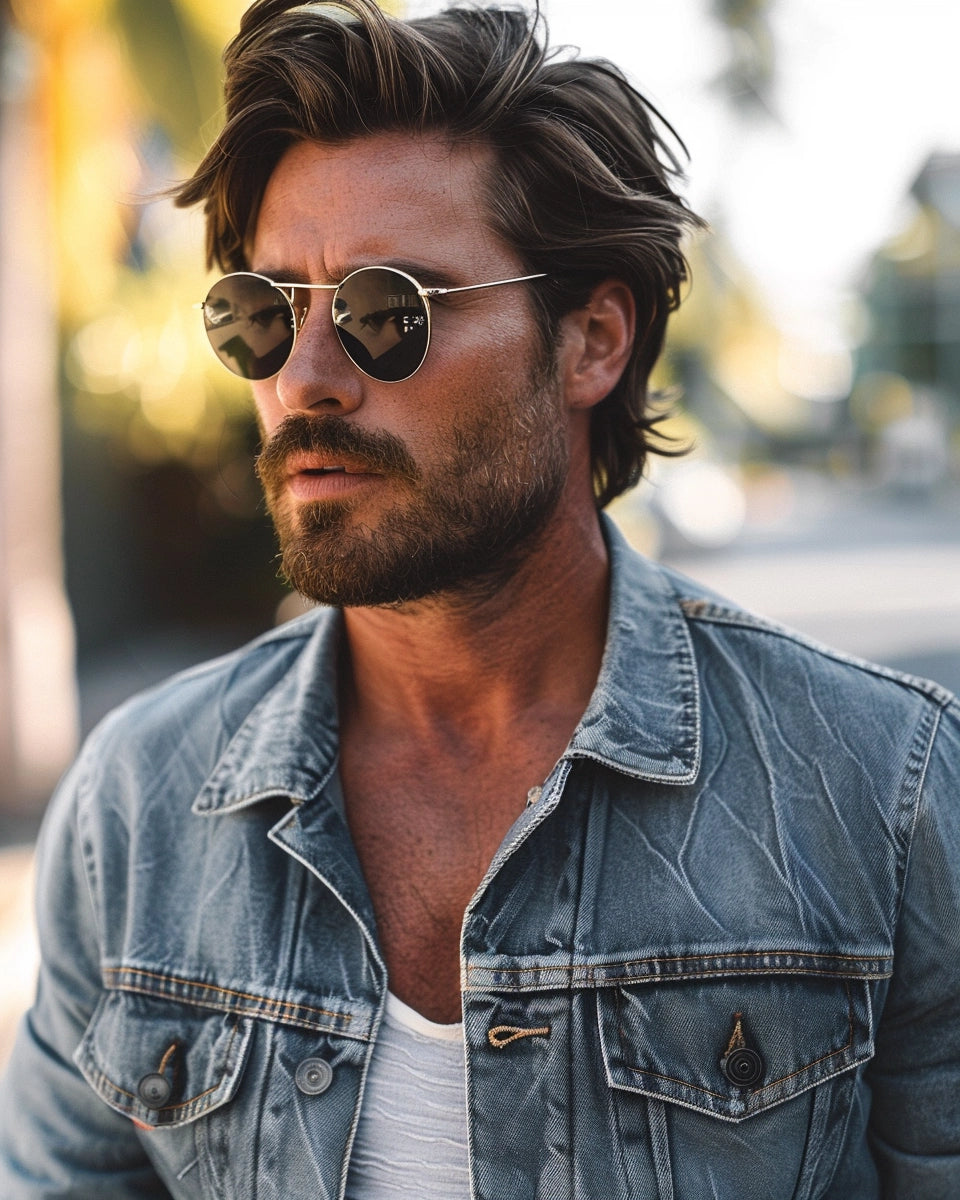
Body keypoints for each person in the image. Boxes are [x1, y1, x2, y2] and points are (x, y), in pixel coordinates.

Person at [1, 1, 959, 1195]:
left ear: (590, 342)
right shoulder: (137, 809)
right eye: (263, 314)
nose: (304, 381)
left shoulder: (886, 789)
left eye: (386, 310)